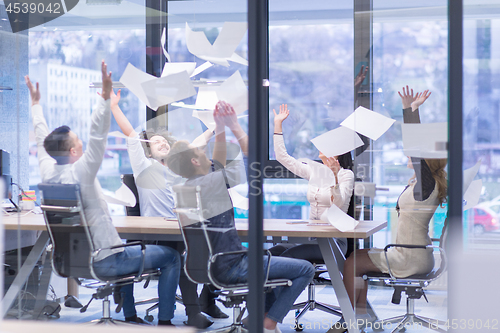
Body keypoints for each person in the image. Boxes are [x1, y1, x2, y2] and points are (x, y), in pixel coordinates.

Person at [25, 61, 181, 326]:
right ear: (74, 152)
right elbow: (98, 135)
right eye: (77, 142)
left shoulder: (48, 171)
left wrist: (36, 105)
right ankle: (165, 322)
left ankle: (130, 315)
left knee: (130, 247)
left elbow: (42, 139)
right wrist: (105, 99)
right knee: (172, 257)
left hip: (75, 262)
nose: (82, 142)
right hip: (107, 260)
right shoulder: (82, 174)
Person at [165, 101, 315, 333]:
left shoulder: (188, 187)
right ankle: (270, 321)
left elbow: (219, 163)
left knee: (274, 253)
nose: (206, 153)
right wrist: (234, 126)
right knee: (305, 269)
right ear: (195, 161)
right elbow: (253, 159)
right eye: (201, 151)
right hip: (232, 265)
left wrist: (220, 128)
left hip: (205, 267)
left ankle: (257, 316)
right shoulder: (212, 183)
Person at [328, 86, 448, 333]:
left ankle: (348, 322)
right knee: (356, 261)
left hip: (409, 258)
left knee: (352, 263)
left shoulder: (427, 185)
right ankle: (359, 320)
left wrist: (410, 110)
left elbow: (415, 148)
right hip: (414, 254)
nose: (408, 154)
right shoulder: (425, 184)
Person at [109, 89, 227, 327]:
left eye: (164, 140)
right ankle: (189, 314)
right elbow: (131, 135)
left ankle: (201, 305)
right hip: (153, 236)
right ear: (148, 151)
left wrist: (216, 126)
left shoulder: (178, 167)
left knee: (209, 251)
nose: (161, 142)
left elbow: (198, 143)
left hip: (180, 229)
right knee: (181, 258)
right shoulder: (144, 166)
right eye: (155, 142)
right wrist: (114, 107)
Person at [269, 104, 355, 259]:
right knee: (272, 253)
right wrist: (278, 125)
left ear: (338, 152)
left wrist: (334, 177)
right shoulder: (315, 170)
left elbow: (339, 207)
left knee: (287, 256)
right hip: (312, 237)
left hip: (333, 241)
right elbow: (283, 158)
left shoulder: (346, 175)